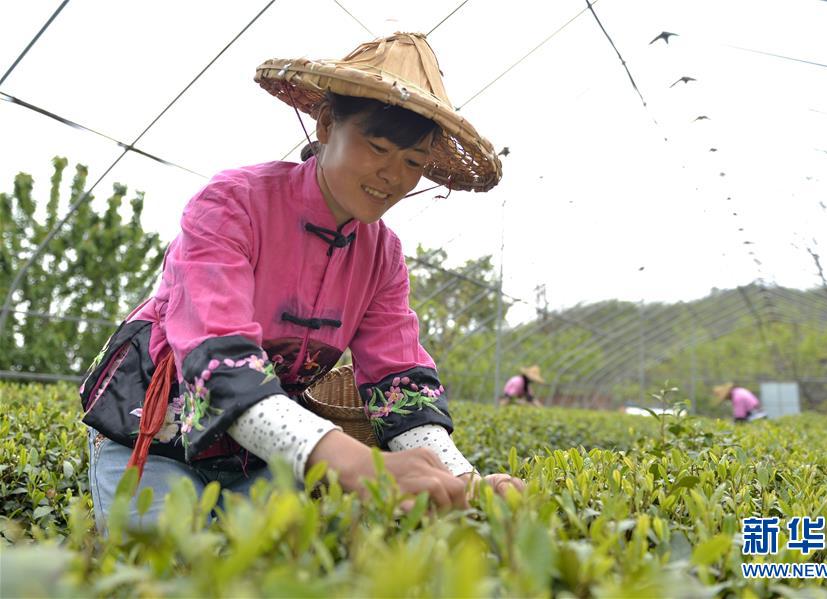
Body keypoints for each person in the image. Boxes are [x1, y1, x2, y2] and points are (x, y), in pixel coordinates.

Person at [79, 32, 523, 532]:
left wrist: (463, 478)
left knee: (279, 558)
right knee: (161, 554)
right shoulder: (232, 204)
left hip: (260, 453)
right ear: (328, 125)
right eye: (377, 146)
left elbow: (398, 382)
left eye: (414, 162)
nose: (393, 176)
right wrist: (353, 461)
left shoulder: (383, 255)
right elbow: (216, 354)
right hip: (154, 431)